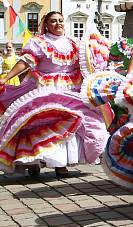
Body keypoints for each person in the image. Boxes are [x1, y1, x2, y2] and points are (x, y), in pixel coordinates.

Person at [0, 11, 108, 177]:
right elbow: (25, 62)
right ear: (46, 25)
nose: (58, 24)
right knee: (42, 123)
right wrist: (6, 78)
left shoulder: (74, 43)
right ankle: (33, 160)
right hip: (45, 88)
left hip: (71, 90)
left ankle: (60, 163)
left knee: (77, 123)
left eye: (60, 21)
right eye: (53, 21)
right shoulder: (39, 42)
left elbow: (89, 63)